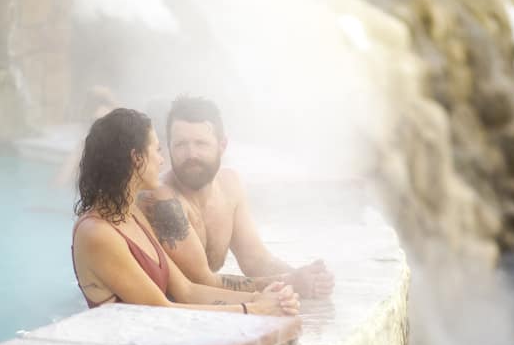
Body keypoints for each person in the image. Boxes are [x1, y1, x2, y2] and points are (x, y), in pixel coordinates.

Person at [71, 107, 299, 316]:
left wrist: (262, 297)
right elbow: (161, 310)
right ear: (137, 158)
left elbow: (187, 290)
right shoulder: (97, 233)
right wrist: (253, 310)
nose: (162, 160)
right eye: (158, 150)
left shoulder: (132, 215)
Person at [137, 96, 335, 298]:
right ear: (168, 146)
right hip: (167, 314)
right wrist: (289, 282)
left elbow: (256, 260)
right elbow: (199, 282)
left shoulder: (230, 186)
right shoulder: (161, 199)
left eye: (201, 143)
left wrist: (306, 278)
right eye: (180, 144)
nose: (191, 154)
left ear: (222, 145)